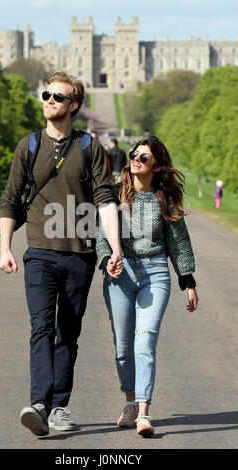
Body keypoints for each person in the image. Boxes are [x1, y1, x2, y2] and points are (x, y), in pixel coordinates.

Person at [0, 71, 123, 437]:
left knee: (68, 332)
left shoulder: (89, 147)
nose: (49, 100)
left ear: (73, 105)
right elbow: (10, 197)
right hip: (38, 253)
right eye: (46, 94)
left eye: (57, 96)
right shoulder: (29, 145)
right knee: (41, 328)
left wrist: (114, 248)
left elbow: (105, 200)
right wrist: (5, 247)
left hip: (79, 255)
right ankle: (39, 403)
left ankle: (59, 407)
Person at [96, 136, 198, 437]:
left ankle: (143, 411)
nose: (136, 159)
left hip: (155, 273)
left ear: (156, 165)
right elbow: (101, 233)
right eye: (134, 155)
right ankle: (129, 400)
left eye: (144, 157)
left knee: (144, 343)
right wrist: (106, 261)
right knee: (123, 348)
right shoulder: (114, 194)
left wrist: (188, 280)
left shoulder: (163, 198)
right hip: (120, 273)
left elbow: (178, 241)